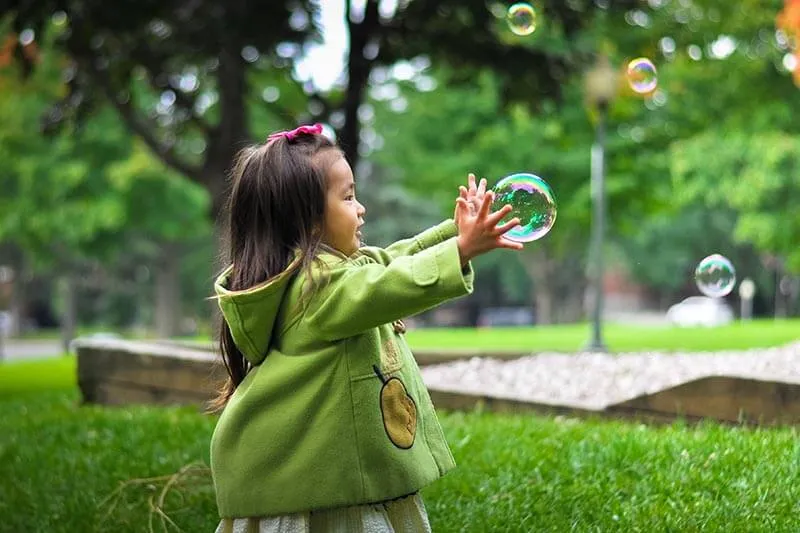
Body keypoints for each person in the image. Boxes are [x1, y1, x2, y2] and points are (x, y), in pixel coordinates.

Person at [209, 123, 522, 533]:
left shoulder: (328, 273)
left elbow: (390, 261)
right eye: (348, 197)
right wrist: (461, 249)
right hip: (320, 490)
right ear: (310, 221)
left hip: (329, 476)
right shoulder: (317, 288)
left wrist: (454, 233)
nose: (361, 209)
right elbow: (389, 285)